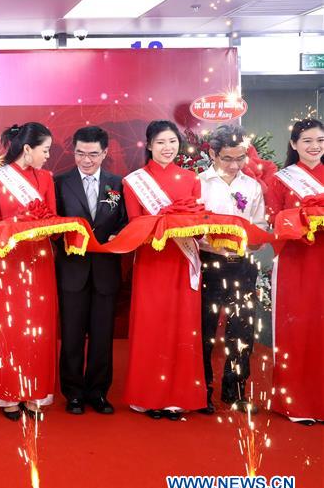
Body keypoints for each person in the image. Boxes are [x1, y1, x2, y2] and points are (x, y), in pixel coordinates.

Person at [122, 120, 205, 420]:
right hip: (152, 262)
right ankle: (148, 396)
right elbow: (135, 225)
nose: (167, 148)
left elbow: (199, 222)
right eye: (160, 142)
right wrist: (163, 225)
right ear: (149, 145)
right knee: (152, 326)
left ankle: (177, 397)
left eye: (172, 141)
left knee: (182, 325)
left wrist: (190, 226)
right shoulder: (134, 181)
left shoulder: (191, 179)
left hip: (182, 261)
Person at [0, 123, 59, 420]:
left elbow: (52, 220)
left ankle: (36, 392)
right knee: (9, 325)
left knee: (39, 326)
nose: (48, 156)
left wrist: (41, 228)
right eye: (45, 150)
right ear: (28, 149)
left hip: (40, 260)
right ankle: (8, 393)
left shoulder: (46, 178)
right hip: (7, 261)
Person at [54, 126, 127, 416]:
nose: (86, 160)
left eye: (93, 154)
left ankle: (98, 393)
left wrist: (119, 235)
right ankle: (73, 393)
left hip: (105, 272)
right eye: (80, 153)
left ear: (105, 153)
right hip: (72, 270)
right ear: (73, 151)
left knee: (102, 336)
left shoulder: (118, 183)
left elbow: (126, 220)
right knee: (71, 336)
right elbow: (52, 223)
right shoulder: (60, 182)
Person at [197, 124, 266, 414]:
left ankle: (235, 391)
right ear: (212, 153)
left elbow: (259, 225)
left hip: (243, 266)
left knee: (242, 331)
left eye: (240, 158)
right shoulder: (199, 183)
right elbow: (191, 227)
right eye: (227, 158)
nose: (235, 165)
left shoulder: (252, 186)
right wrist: (213, 239)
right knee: (205, 331)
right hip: (209, 264)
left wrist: (254, 240)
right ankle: (201, 391)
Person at [267, 118, 324, 425]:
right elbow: (273, 219)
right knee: (297, 328)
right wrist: (303, 218)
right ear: (293, 144)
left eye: (320, 140)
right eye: (307, 141)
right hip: (295, 262)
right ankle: (296, 403)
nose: (315, 146)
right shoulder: (281, 180)